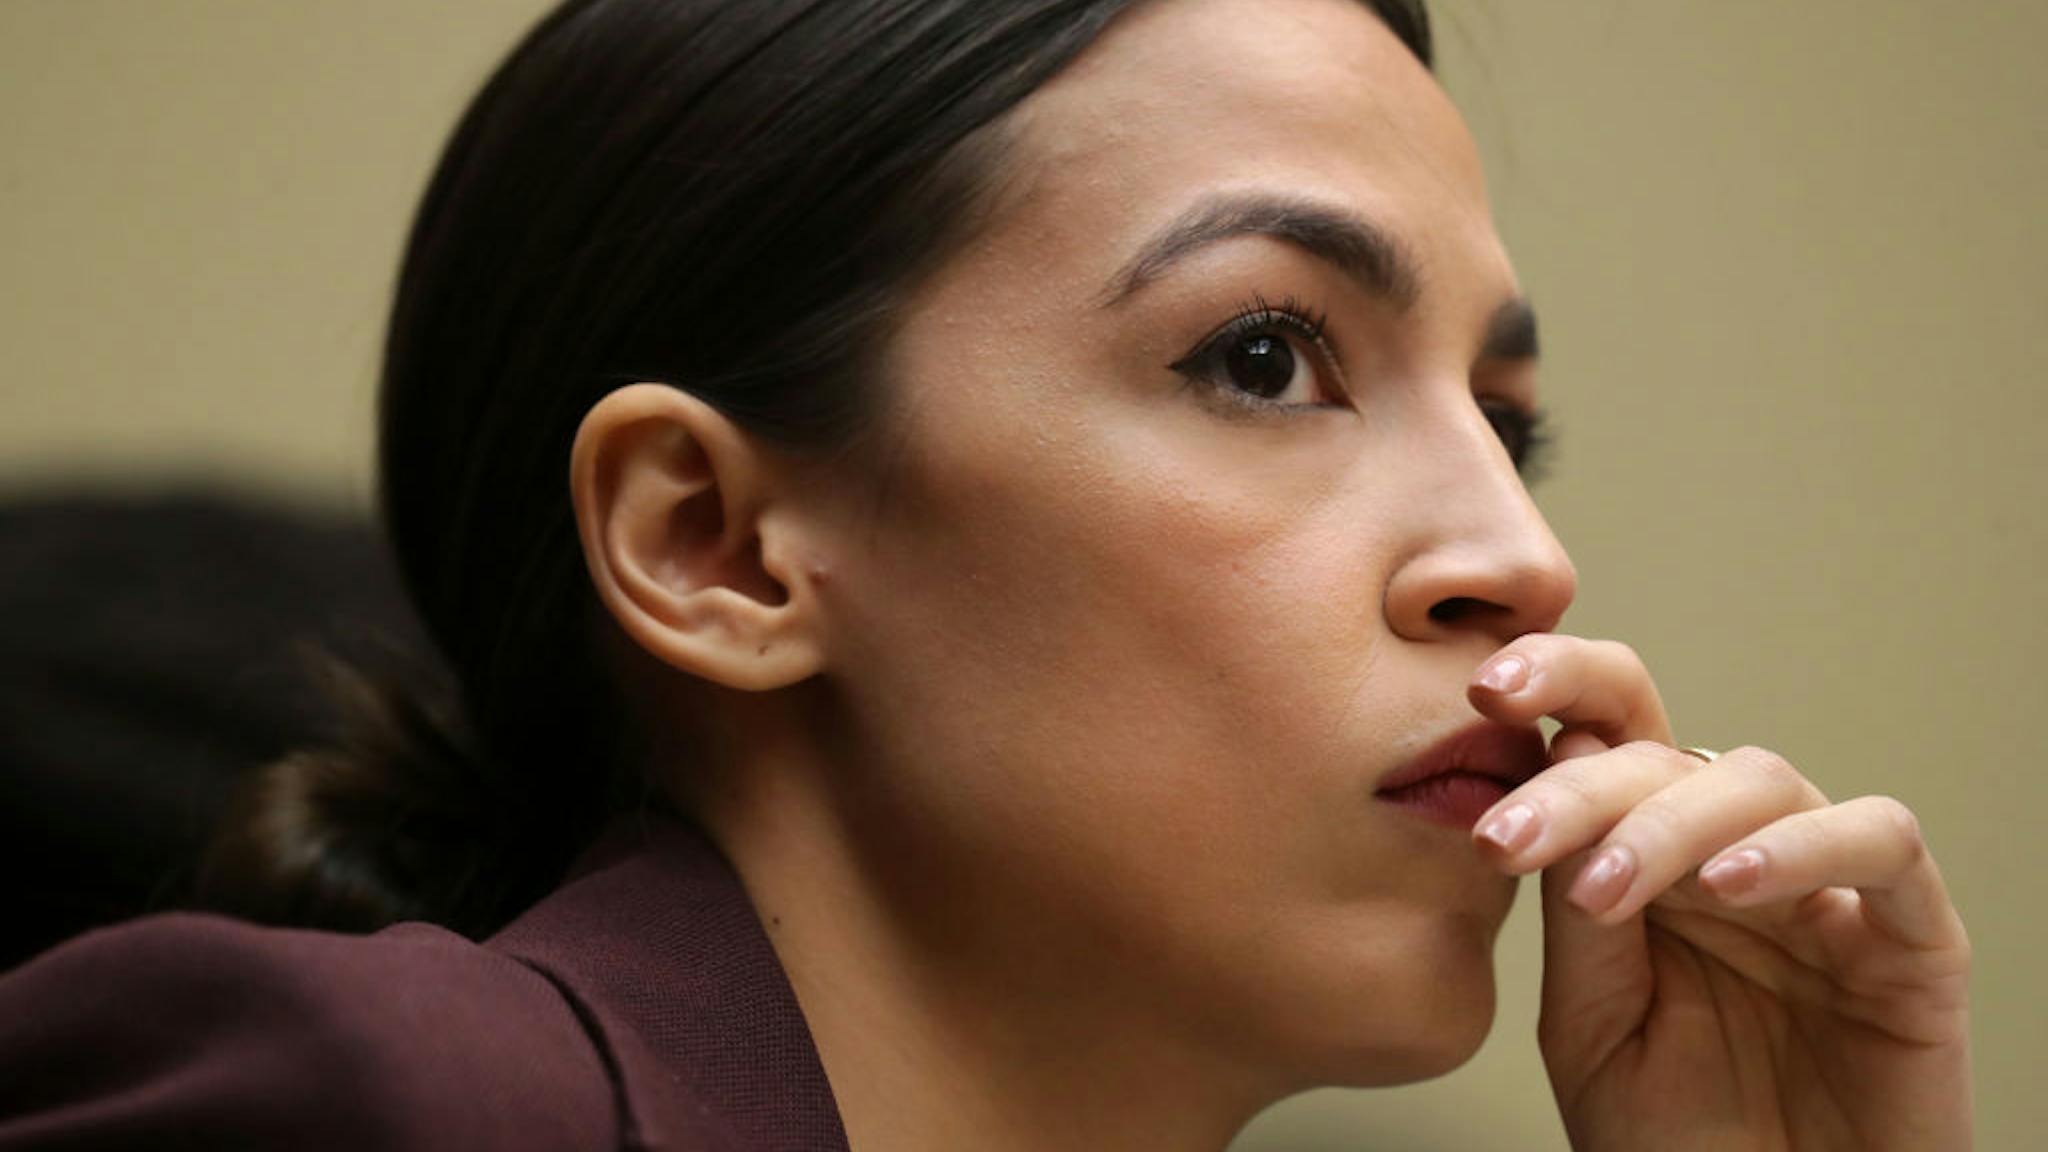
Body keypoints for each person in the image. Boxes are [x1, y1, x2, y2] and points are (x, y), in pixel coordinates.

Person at [0, 0, 1973, 1148]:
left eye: (1505, 419)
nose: (1522, 560)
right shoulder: (377, 1106)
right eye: (1262, 358)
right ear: (714, 547)